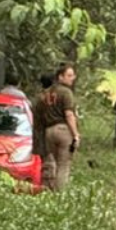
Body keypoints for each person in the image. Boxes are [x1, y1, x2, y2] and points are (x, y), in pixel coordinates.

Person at [41, 63, 80, 191]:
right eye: (69, 75)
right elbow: (69, 114)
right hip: (63, 130)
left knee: (52, 162)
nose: (72, 78)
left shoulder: (47, 92)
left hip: (48, 131)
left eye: (72, 75)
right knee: (63, 165)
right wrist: (75, 134)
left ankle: (48, 189)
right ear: (60, 77)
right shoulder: (66, 92)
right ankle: (60, 194)